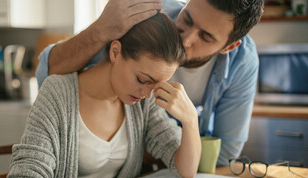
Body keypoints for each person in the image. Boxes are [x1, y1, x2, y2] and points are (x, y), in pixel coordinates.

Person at [7, 12, 201, 178]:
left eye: (157, 85)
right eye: (143, 79)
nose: (147, 94)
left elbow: (186, 170)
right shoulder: (58, 94)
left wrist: (190, 120)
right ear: (115, 52)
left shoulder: (141, 103)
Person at [36, 0, 264, 166]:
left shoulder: (242, 61)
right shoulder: (147, 18)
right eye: (187, 18)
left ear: (228, 46)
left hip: (161, 177)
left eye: (205, 37)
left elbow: (225, 153)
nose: (185, 40)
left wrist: (168, 144)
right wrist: (101, 29)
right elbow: (49, 73)